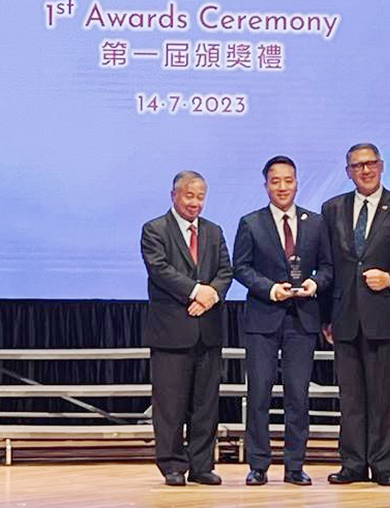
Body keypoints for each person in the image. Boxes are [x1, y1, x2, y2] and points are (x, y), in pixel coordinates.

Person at [321, 143, 390, 486]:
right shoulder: (332, 209)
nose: (365, 171)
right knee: (351, 399)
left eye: (370, 164)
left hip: (387, 316)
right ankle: (352, 465)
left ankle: (383, 466)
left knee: (382, 397)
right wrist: (326, 317)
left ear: (381, 166)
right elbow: (328, 266)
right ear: (348, 172)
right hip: (344, 319)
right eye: (357, 166)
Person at [233, 156, 332, 486]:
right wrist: (270, 289)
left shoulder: (316, 223)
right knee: (259, 393)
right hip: (263, 319)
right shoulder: (251, 222)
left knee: (297, 396)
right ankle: (258, 465)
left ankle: (294, 466)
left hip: (303, 321)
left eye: (288, 180)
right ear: (266, 186)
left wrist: (314, 284)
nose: (282, 187)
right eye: (275, 181)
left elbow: (328, 267)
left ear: (297, 183)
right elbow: (241, 268)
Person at [140, 170, 233, 486]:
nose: (195, 203)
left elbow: (225, 271)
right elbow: (160, 270)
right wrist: (197, 291)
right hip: (170, 332)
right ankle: (172, 465)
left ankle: (202, 464)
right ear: (174, 195)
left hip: (207, 330)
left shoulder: (213, 231)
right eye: (189, 196)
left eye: (201, 197)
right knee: (170, 405)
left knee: (205, 403)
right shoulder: (155, 230)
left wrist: (210, 296)